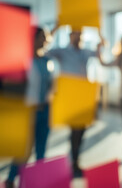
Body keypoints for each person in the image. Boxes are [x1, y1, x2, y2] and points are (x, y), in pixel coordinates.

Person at [46, 25, 99, 177]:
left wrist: (100, 33)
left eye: (80, 35)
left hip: (84, 97)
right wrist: (55, 28)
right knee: (75, 131)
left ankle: (74, 159)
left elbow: (101, 51)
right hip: (70, 98)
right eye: (75, 34)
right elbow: (45, 49)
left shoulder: (85, 52)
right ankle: (74, 162)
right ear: (70, 36)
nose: (78, 37)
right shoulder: (62, 51)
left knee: (80, 130)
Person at [5, 27, 52, 188]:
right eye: (41, 37)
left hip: (45, 110)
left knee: (41, 150)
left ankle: (37, 181)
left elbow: (48, 86)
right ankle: (11, 180)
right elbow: (12, 87)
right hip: (28, 112)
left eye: (44, 38)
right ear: (33, 39)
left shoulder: (46, 60)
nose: (44, 41)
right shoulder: (23, 61)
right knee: (23, 151)